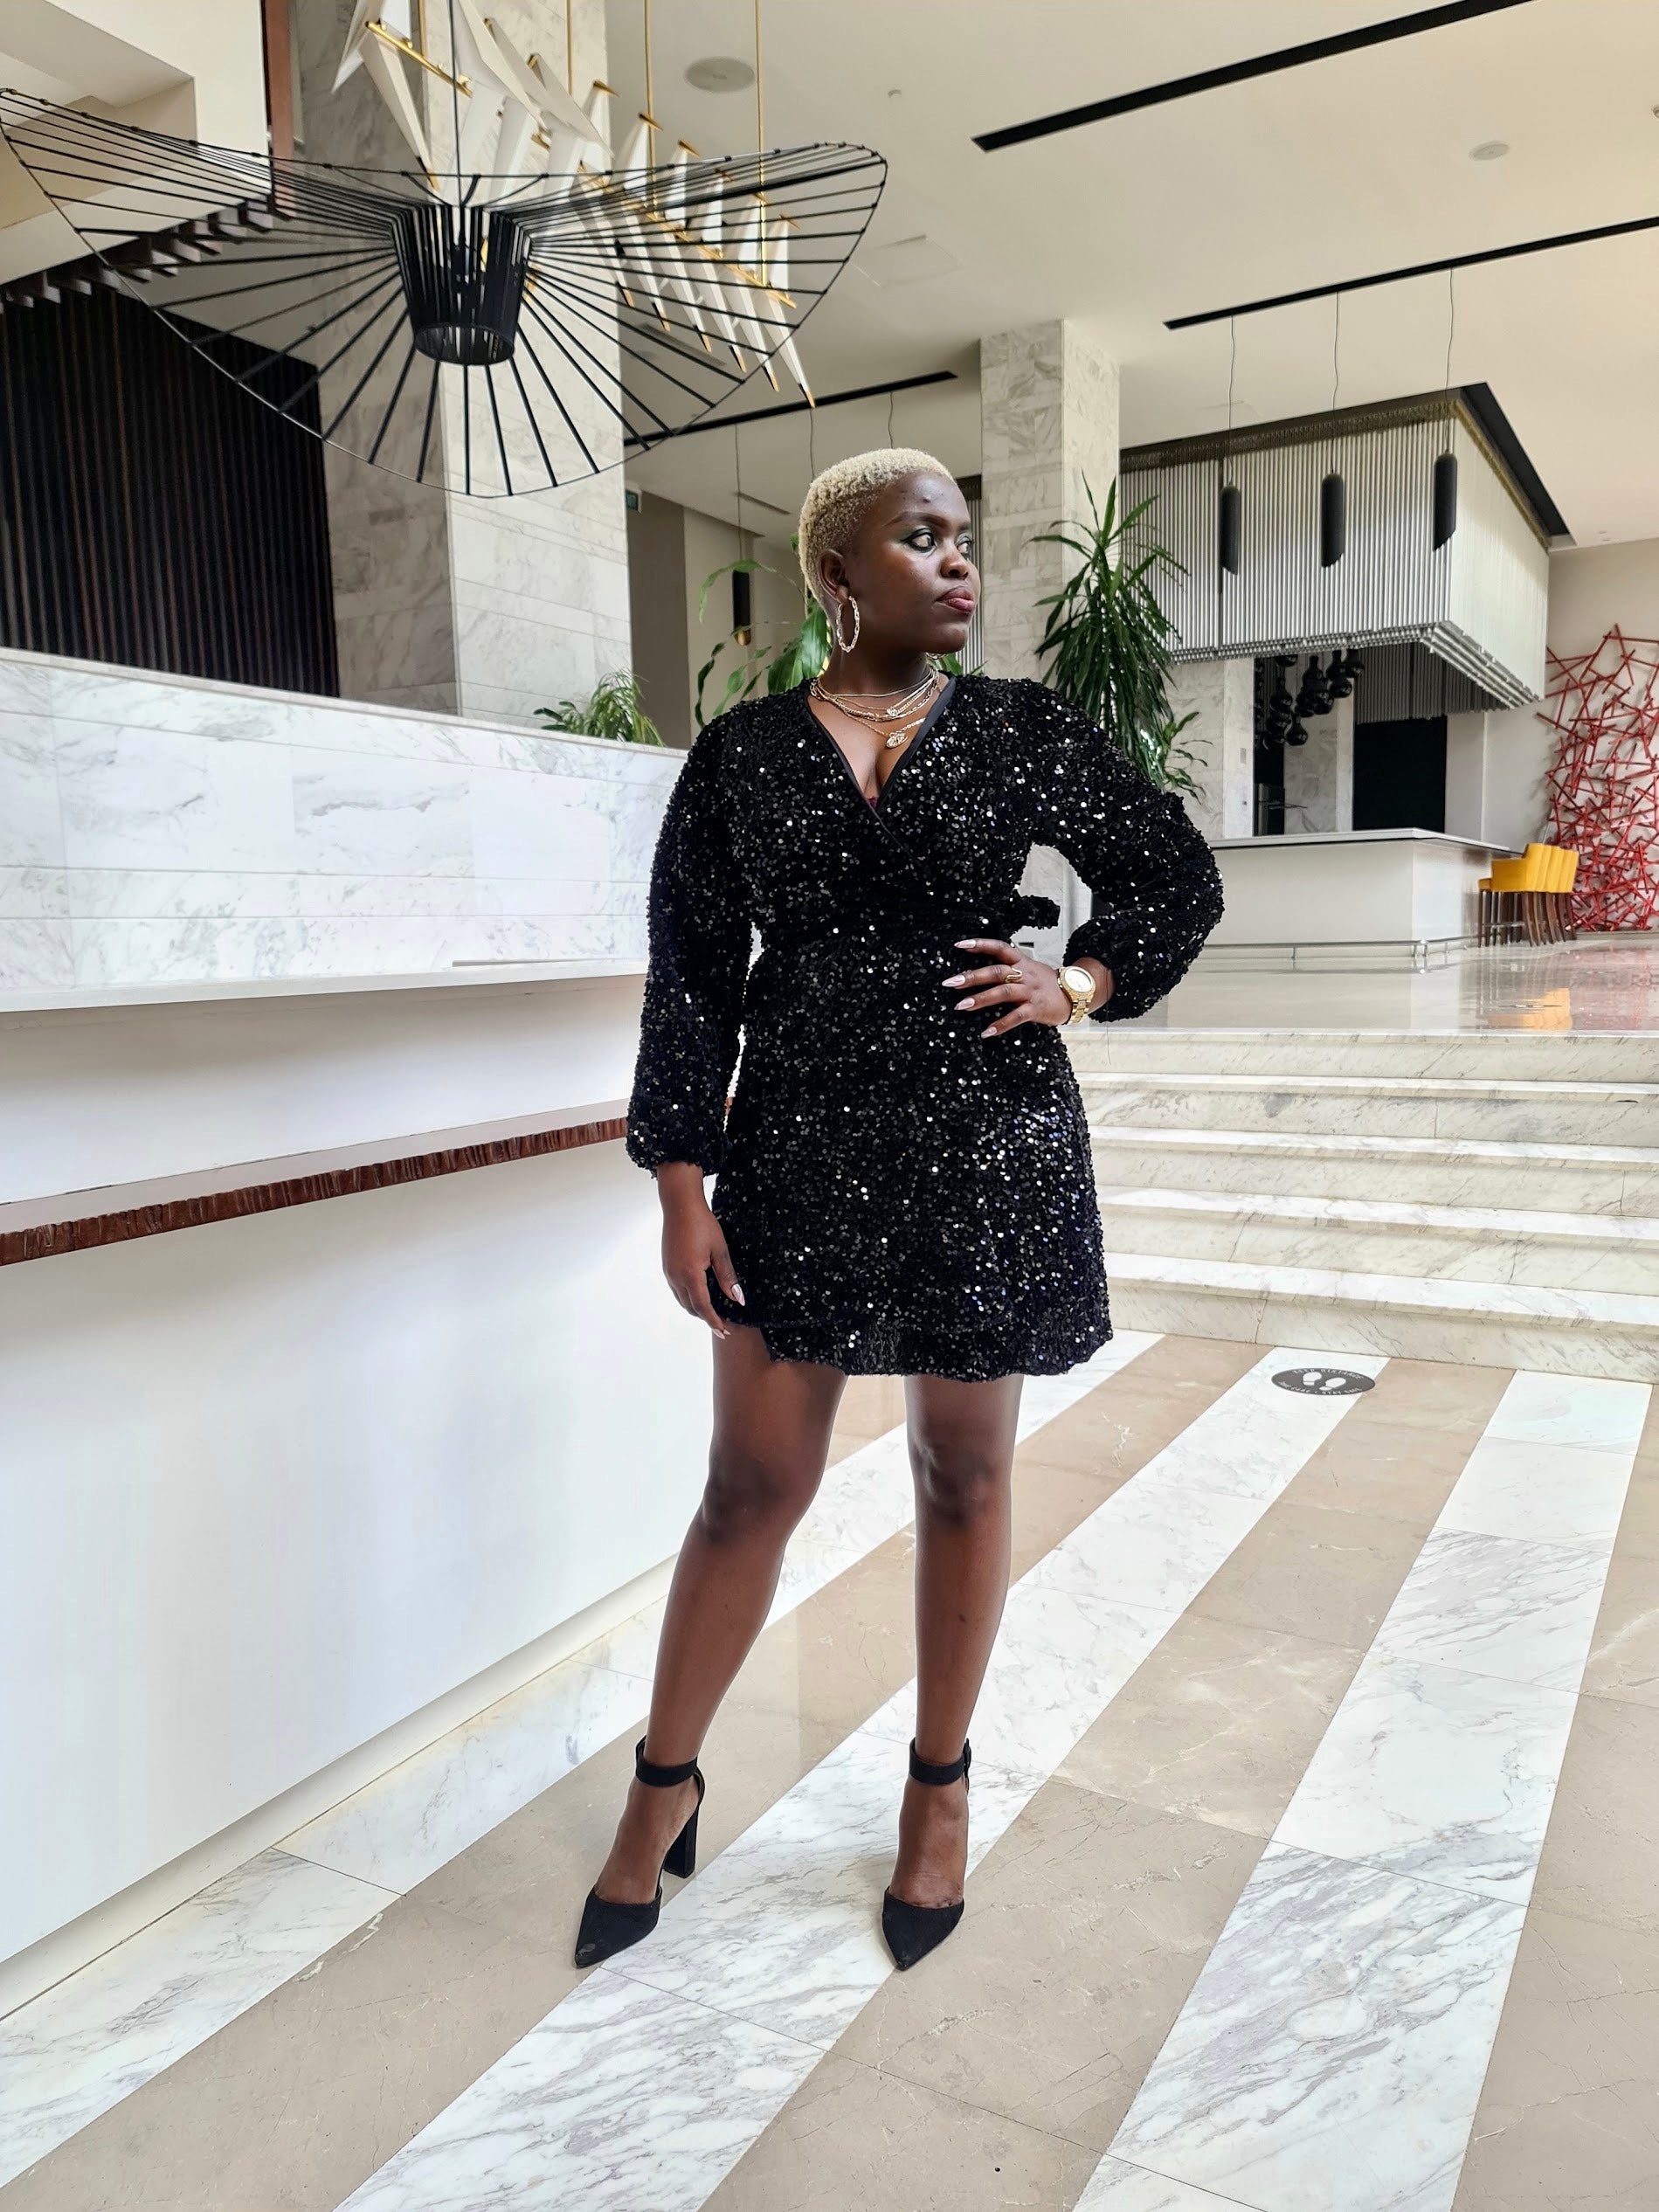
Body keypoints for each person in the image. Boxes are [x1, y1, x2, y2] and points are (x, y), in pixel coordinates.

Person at [575, 446, 1223, 1974]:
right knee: (751, 1485)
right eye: (920, 536)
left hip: (989, 1141)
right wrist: (679, 1180)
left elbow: (1174, 877)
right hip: (795, 1150)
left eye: (963, 537)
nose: (958, 562)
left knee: (964, 1475)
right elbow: (693, 979)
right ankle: (663, 1785)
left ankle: (940, 1789)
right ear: (835, 574)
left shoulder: (1022, 730)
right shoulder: (741, 755)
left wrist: (1079, 981)